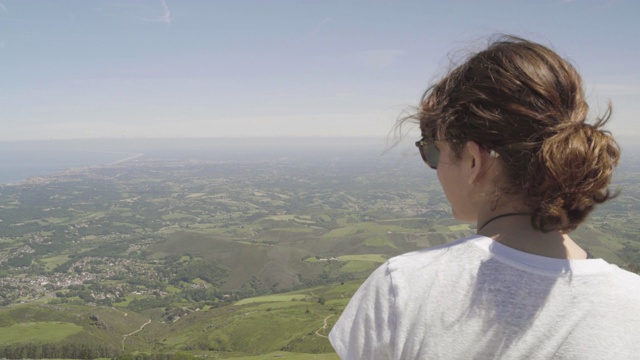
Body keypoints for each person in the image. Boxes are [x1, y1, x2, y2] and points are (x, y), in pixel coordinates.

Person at [328, 35, 640, 359]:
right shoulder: (633, 305)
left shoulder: (403, 288)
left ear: (475, 161)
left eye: (433, 151)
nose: (433, 167)